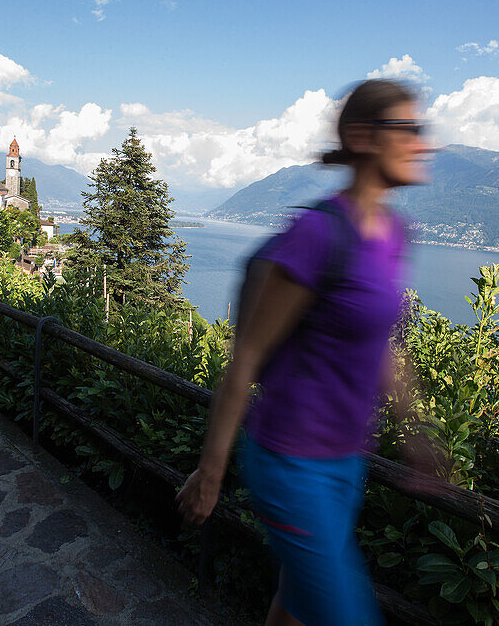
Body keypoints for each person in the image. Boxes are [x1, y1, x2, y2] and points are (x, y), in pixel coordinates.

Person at [176, 79, 443, 626]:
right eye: (410, 129)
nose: (424, 143)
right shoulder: (317, 234)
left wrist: (415, 428)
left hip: (347, 462)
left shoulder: (395, 232)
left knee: (296, 607)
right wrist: (211, 471)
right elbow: (246, 358)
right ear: (365, 136)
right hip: (290, 463)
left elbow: (380, 344)